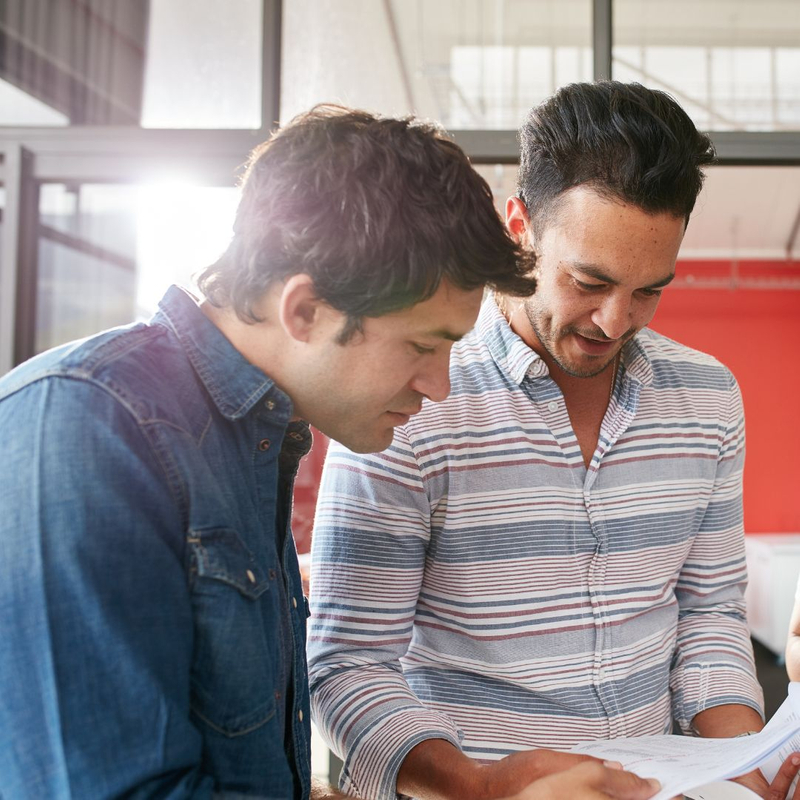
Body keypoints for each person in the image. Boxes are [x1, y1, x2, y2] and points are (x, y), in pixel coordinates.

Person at [0, 105, 662, 800]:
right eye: (423, 345)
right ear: (305, 310)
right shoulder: (84, 430)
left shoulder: (250, 444)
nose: (439, 386)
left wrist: (481, 788)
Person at [307, 83, 799, 800]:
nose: (614, 319)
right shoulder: (405, 395)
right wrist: (480, 784)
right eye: (589, 281)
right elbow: (349, 666)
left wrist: (742, 766)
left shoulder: (708, 397)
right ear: (520, 227)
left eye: (649, 290)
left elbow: (709, 613)